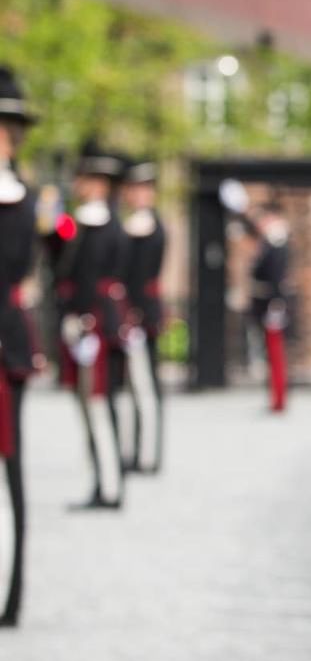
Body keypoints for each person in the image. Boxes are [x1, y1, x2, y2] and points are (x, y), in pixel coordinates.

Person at [53, 141, 130, 509]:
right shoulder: (84, 223)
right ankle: (104, 480)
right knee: (91, 407)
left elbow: (89, 281)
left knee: (100, 404)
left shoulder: (104, 226)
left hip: (95, 325)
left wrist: (80, 316)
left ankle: (110, 484)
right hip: (90, 324)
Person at [0, 67, 39, 626]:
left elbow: (18, 269)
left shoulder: (22, 197)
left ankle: (11, 591)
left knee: (9, 468)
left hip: (4, 345)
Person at [120, 156, 166, 473]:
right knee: (135, 387)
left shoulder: (147, 226)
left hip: (141, 313)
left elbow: (139, 277)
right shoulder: (137, 224)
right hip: (135, 311)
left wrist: (133, 312)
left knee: (145, 386)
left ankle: (148, 454)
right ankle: (138, 449)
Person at [249, 202, 291, 414]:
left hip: (272, 304)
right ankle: (276, 398)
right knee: (272, 354)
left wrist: (275, 305)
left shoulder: (276, 242)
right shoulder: (269, 242)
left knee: (276, 354)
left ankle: (279, 399)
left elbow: (275, 277)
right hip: (267, 302)